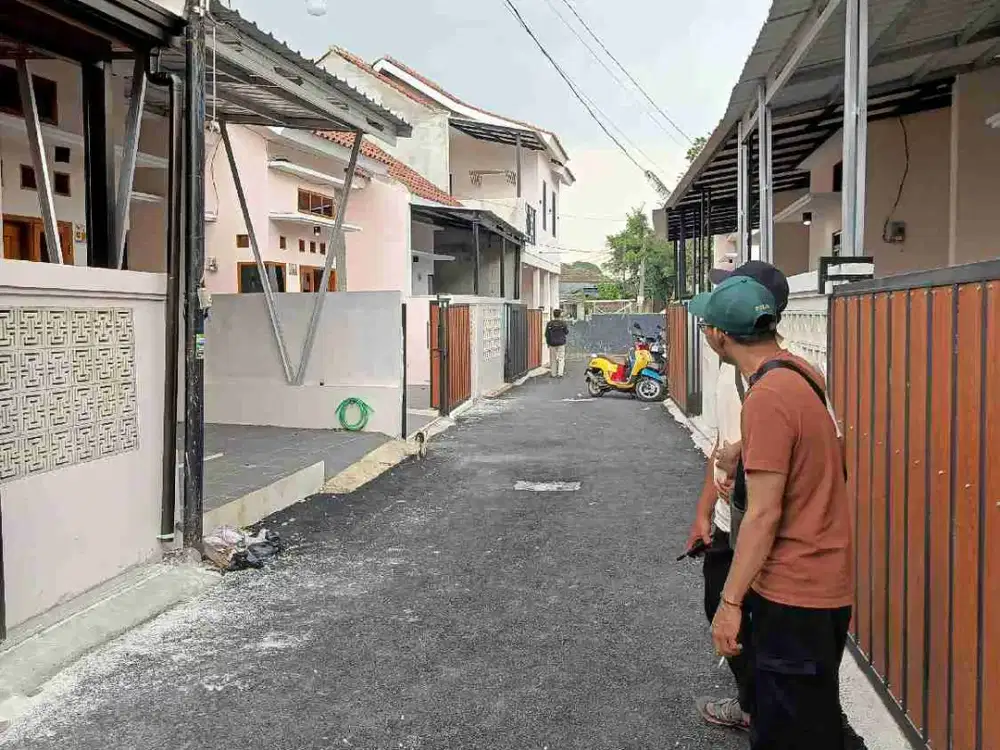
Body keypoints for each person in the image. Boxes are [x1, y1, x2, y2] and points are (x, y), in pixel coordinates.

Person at [688, 275, 856, 750]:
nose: (705, 333)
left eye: (706, 325)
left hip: (793, 592)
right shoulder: (801, 375)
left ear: (720, 335)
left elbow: (762, 515)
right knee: (815, 718)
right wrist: (745, 454)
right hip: (824, 582)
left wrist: (731, 604)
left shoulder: (765, 398)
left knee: (790, 730)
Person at [687, 261, 790, 733]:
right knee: (719, 606)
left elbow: (778, 464)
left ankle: (762, 710)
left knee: (752, 624)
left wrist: (742, 453)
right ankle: (753, 703)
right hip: (730, 519)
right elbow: (719, 445)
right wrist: (703, 511)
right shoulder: (728, 372)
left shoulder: (782, 383)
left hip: (763, 530)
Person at [545, 309, 569, 378]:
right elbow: (566, 332)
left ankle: (553, 374)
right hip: (561, 343)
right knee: (561, 358)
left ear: (553, 315)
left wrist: (548, 343)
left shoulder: (549, 323)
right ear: (560, 315)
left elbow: (547, 334)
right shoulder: (563, 323)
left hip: (552, 343)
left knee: (553, 359)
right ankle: (560, 373)